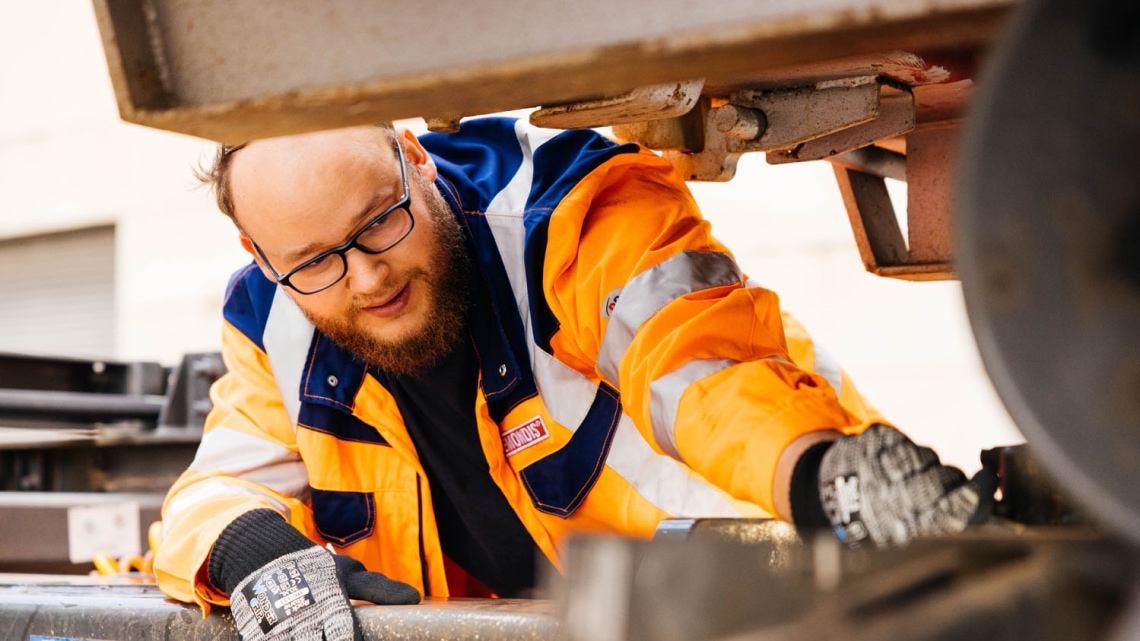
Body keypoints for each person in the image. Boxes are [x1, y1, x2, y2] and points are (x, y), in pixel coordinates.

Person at [155, 117, 987, 640]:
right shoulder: (275, 316)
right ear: (261, 257)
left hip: (764, 615)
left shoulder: (570, 208)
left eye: (379, 222)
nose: (367, 279)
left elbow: (699, 363)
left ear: (416, 158)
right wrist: (255, 554)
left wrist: (818, 472)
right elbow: (217, 486)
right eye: (314, 261)